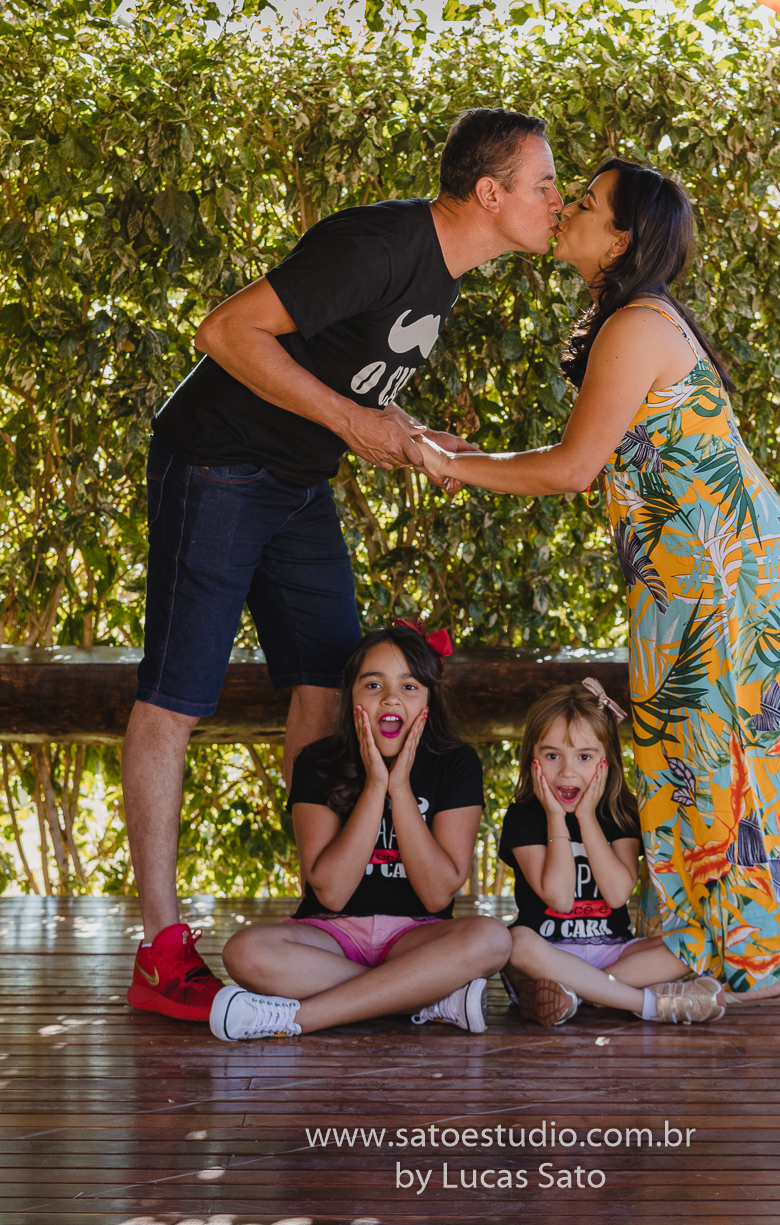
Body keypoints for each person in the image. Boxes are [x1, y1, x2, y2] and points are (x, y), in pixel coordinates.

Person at [417, 157, 780, 1009]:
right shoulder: (627, 319)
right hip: (697, 572)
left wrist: (456, 468)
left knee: (734, 756)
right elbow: (591, 455)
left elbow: (574, 467)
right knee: (748, 754)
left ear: (621, 239)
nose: (566, 210)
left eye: (583, 203)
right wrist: (471, 458)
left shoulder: (637, 326)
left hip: (720, 575)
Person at [124, 108, 562, 1022]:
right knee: (176, 695)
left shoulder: (444, 277)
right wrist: (354, 425)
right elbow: (227, 332)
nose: (558, 202)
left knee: (330, 685)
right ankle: (162, 949)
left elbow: (355, 384)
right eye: (545, 185)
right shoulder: (378, 245)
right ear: (490, 194)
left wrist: (406, 432)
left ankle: (328, 902)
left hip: (296, 481)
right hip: (216, 464)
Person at [210, 623, 511, 1041]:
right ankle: (424, 998)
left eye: (409, 687)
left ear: (429, 700)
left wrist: (400, 787)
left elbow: (437, 893)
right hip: (329, 933)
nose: (390, 698)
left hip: (418, 935)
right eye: (373, 684)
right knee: (244, 952)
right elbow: (331, 893)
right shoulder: (317, 760)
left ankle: (299, 1019)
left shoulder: (456, 763)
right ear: (350, 694)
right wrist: (375, 785)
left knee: (492, 938)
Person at [500, 680, 724, 1026]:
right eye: (552, 755)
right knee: (515, 943)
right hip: (548, 952)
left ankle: (577, 995)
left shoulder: (620, 811)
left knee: (696, 942)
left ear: (607, 761)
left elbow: (618, 894)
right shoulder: (524, 816)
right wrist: (556, 818)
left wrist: (587, 817)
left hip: (614, 954)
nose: (567, 771)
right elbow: (559, 898)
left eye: (585, 757)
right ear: (532, 757)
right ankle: (647, 1003)